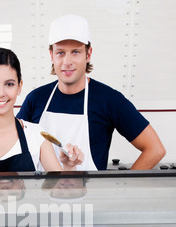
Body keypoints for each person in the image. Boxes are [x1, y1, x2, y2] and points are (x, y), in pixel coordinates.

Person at [17, 14, 166, 171]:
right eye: (60, 52)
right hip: (41, 193)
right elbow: (15, 146)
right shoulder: (36, 99)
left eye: (75, 52)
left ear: (88, 54)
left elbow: (155, 149)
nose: (67, 62)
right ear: (51, 55)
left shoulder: (109, 100)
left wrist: (124, 189)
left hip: (90, 195)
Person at [0, 47, 83, 175]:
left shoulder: (36, 135)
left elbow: (60, 189)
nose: (0, 93)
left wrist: (69, 166)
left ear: (19, 87)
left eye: (9, 84)